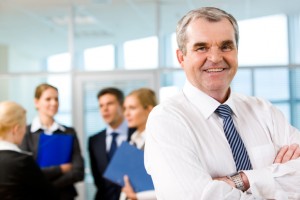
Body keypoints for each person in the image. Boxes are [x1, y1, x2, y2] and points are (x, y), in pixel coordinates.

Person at [144, 7, 300, 200]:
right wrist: (275, 179)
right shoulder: (166, 120)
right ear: (181, 57)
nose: (216, 58)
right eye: (201, 47)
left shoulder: (264, 110)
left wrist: (242, 179)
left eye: (226, 46)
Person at [20, 83, 84, 200]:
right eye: (48, 99)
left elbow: (78, 171)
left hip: (65, 196)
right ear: (36, 102)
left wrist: (49, 186)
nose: (54, 103)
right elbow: (28, 173)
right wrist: (61, 168)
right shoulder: (25, 133)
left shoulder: (69, 132)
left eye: (56, 99)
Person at [0, 101, 59, 200]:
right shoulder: (22, 161)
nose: (25, 131)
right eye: (24, 127)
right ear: (16, 129)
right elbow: (49, 195)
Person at [88, 87, 135, 200]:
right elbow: (98, 179)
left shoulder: (137, 134)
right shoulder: (94, 140)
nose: (105, 109)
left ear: (122, 106)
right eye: (101, 106)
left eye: (110, 104)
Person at [120, 88, 157, 200]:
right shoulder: (132, 140)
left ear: (149, 110)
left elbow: (171, 186)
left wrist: (137, 196)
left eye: (132, 108)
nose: (126, 113)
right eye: (125, 108)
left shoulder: (158, 140)